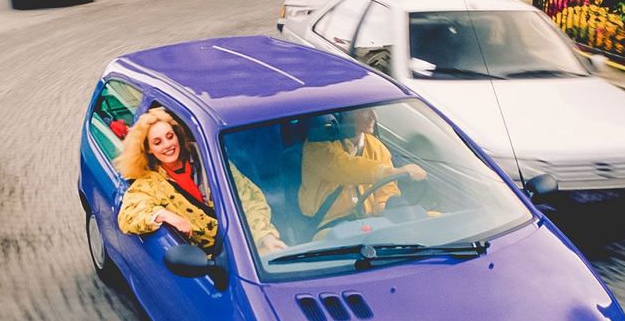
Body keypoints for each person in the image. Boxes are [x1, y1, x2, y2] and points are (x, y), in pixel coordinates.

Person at [117, 106, 285, 254]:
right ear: (149, 149)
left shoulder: (211, 158)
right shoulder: (149, 184)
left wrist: (265, 236)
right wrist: (165, 215)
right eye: (157, 142)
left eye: (170, 136)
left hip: (246, 244)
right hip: (211, 262)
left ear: (177, 136)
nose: (167, 145)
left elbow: (249, 198)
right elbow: (127, 217)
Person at [298, 107, 426, 227]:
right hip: (329, 226)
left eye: (374, 109)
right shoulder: (317, 146)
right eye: (365, 110)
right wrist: (393, 172)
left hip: (370, 223)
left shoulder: (377, 147)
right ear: (346, 112)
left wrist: (384, 207)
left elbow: (387, 189)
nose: (373, 116)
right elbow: (345, 168)